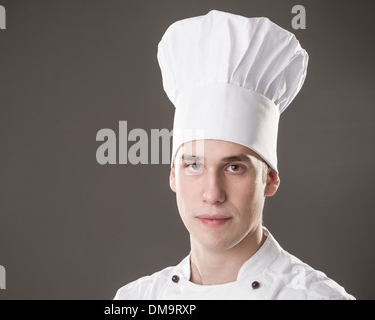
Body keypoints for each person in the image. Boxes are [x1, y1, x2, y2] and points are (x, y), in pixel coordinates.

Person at [114, 10, 355, 300]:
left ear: (270, 179)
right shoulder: (137, 298)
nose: (212, 194)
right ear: (173, 176)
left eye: (235, 167)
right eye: (194, 164)